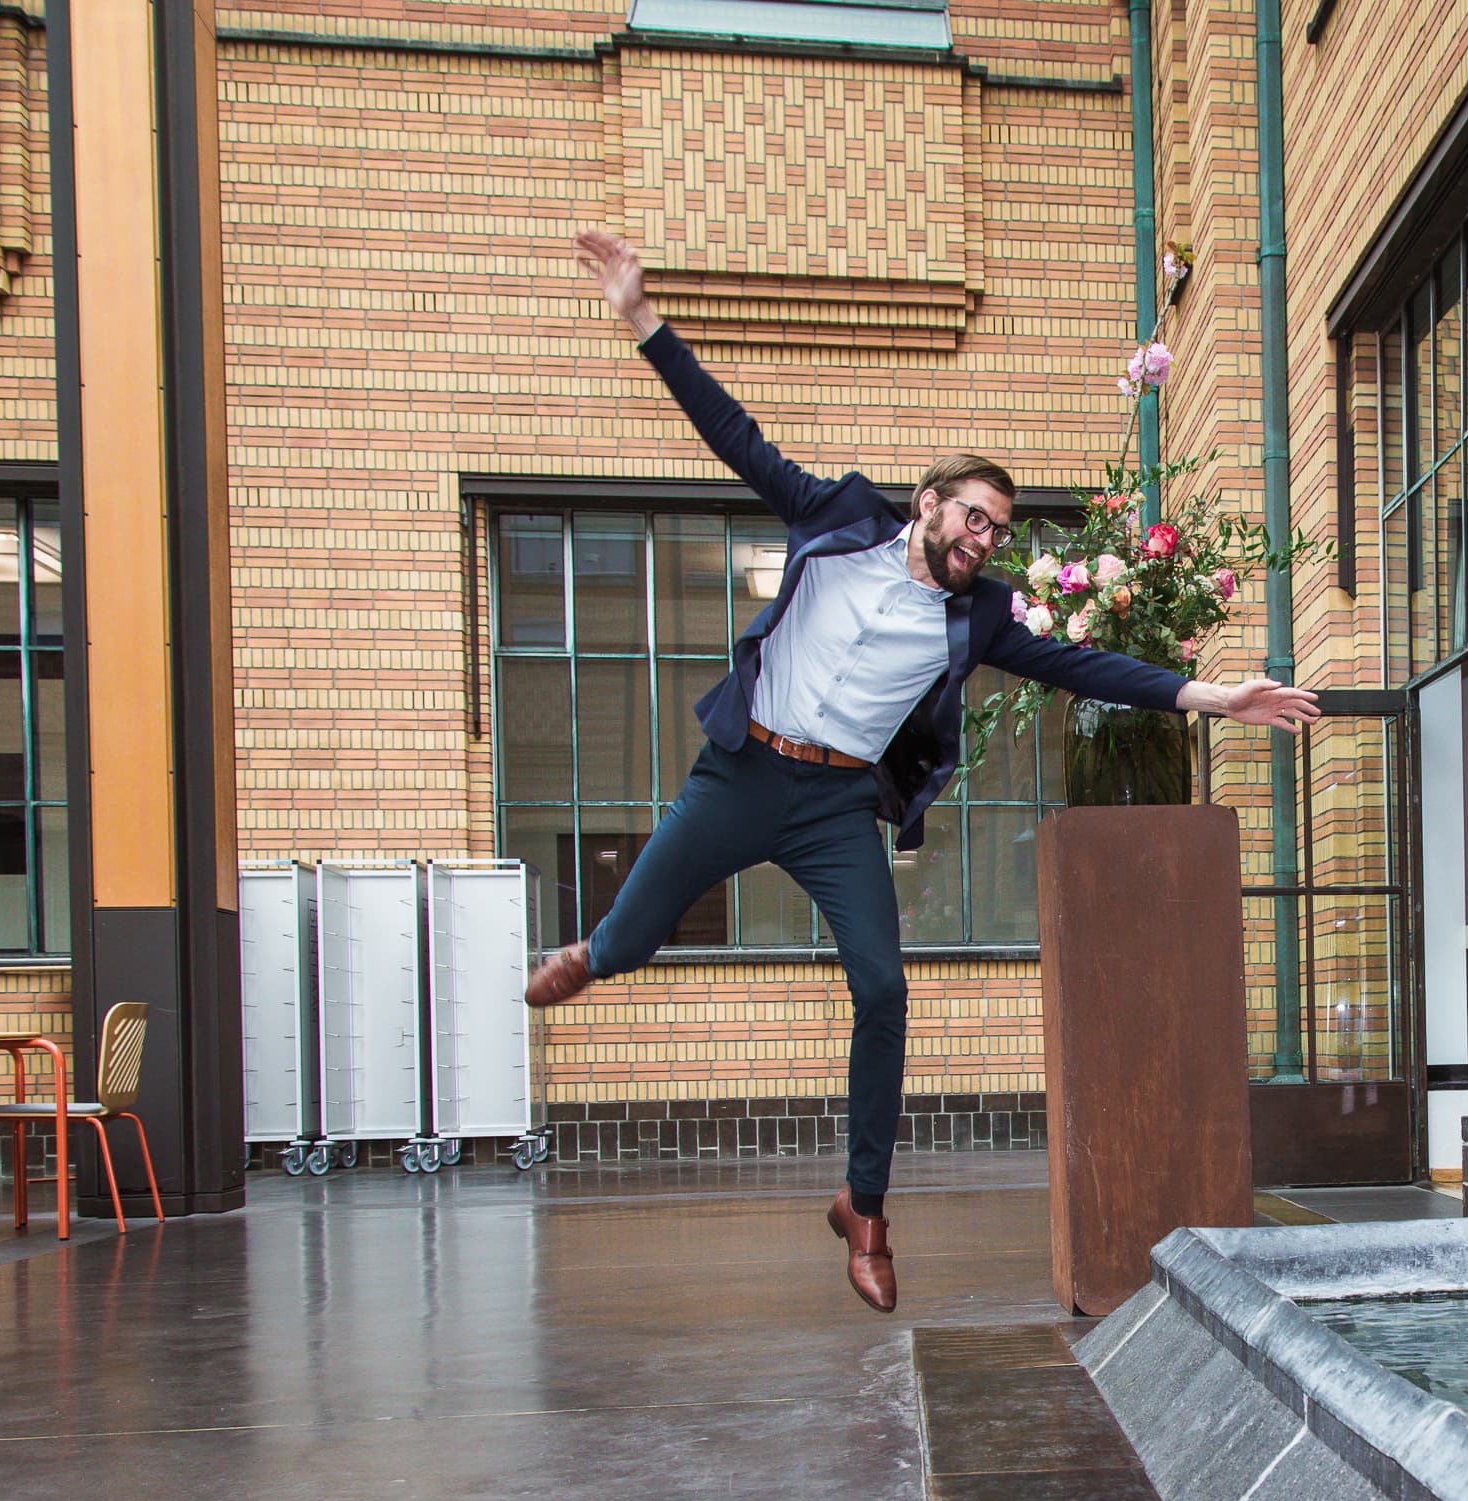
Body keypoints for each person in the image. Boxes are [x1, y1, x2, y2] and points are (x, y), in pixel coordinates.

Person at [539, 228, 1319, 1313]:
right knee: (629, 939)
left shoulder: (983, 615)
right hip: (742, 772)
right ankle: (594, 947)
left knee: (884, 986)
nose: (985, 538)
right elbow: (735, 435)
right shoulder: (836, 519)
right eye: (973, 516)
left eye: (999, 530)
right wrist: (640, 316)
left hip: (833, 807)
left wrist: (1215, 696)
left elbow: (1082, 662)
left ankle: (864, 1207)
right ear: (929, 502)